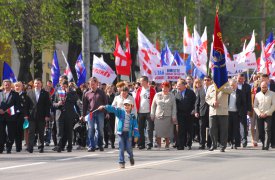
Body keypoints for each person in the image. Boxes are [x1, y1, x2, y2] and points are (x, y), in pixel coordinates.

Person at [98, 99, 139, 169]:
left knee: (129, 148)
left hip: (128, 134)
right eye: (125, 105)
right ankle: (121, 162)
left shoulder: (133, 116)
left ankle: (131, 156)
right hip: (121, 134)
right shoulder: (121, 112)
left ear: (132, 106)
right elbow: (113, 109)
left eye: (128, 105)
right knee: (121, 148)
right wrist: (104, 106)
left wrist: (136, 136)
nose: (126, 106)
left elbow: (135, 127)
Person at [81, 77, 108, 152]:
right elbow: (84, 105)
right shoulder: (87, 93)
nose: (92, 86)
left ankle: (100, 144)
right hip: (91, 113)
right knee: (90, 129)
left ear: (97, 83)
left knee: (100, 129)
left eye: (93, 84)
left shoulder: (102, 92)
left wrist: (107, 112)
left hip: (100, 113)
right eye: (90, 84)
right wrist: (83, 115)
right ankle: (91, 146)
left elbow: (106, 103)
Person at [206, 82, 233, 152]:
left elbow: (230, 91)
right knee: (212, 129)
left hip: (223, 111)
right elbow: (207, 98)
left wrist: (221, 87)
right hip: (213, 111)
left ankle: (222, 146)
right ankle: (214, 144)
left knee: (223, 130)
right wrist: (212, 102)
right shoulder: (210, 87)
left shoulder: (226, 85)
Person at [53, 80, 79, 152]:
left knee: (69, 131)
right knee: (59, 132)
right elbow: (53, 103)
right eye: (62, 85)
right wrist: (58, 104)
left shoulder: (72, 92)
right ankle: (59, 146)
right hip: (59, 114)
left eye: (65, 86)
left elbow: (75, 101)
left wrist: (68, 93)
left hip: (69, 114)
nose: (63, 87)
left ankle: (69, 147)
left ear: (67, 86)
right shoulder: (57, 92)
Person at [27, 78, 51, 153]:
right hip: (32, 116)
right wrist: (26, 115)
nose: (37, 85)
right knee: (31, 132)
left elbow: (48, 105)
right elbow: (27, 105)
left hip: (42, 116)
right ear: (33, 84)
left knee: (41, 132)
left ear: (41, 84)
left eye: (38, 83)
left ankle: (41, 147)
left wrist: (47, 115)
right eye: (35, 83)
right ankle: (30, 147)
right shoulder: (29, 92)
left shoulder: (45, 93)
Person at [151, 82, 177, 150]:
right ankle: (159, 145)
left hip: (168, 116)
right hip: (158, 116)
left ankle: (167, 145)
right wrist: (152, 114)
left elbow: (174, 107)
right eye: (163, 88)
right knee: (158, 131)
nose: (164, 89)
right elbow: (153, 106)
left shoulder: (172, 96)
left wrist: (174, 116)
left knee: (167, 132)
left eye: (166, 88)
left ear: (169, 88)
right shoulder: (157, 95)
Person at [135, 76, 156, 150]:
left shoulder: (152, 90)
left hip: (149, 111)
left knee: (149, 129)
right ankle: (141, 143)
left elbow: (154, 101)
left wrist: (153, 111)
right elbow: (136, 100)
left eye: (141, 81)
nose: (140, 82)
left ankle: (149, 143)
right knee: (140, 128)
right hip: (140, 111)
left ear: (145, 81)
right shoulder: (139, 90)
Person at [0, 79, 21, 154]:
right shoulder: (0, 93)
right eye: (5, 84)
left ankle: (9, 148)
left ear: (11, 85)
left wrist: (8, 110)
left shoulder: (15, 94)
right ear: (3, 85)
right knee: (1, 133)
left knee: (10, 133)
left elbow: (18, 106)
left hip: (11, 117)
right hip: (1, 117)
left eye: (8, 84)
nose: (7, 86)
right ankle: (1, 148)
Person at [175, 79, 196, 150]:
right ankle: (181, 145)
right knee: (181, 130)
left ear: (184, 85)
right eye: (177, 86)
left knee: (189, 130)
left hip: (189, 114)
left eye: (179, 85)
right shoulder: (176, 93)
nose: (178, 87)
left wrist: (194, 110)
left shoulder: (190, 93)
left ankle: (189, 143)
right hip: (180, 114)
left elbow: (195, 102)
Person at [254, 81, 275, 150]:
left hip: (268, 115)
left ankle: (266, 145)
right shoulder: (257, 95)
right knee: (260, 130)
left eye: (265, 87)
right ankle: (263, 143)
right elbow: (255, 106)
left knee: (267, 129)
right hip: (260, 115)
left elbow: (273, 105)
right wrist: (259, 114)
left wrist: (266, 113)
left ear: (267, 86)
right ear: (260, 87)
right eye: (263, 87)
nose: (264, 88)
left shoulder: (272, 94)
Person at [14, 81, 32, 152]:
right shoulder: (13, 94)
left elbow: (27, 106)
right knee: (16, 131)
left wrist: (26, 115)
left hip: (23, 116)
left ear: (22, 87)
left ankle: (26, 145)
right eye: (16, 86)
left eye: (19, 86)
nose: (17, 87)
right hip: (13, 115)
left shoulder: (25, 95)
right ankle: (18, 146)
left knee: (24, 131)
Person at [195, 76, 212, 149]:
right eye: (205, 80)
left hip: (211, 112)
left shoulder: (213, 89)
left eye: (208, 80)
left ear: (210, 81)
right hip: (202, 112)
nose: (206, 81)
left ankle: (209, 144)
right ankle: (202, 144)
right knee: (202, 128)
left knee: (211, 128)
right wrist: (196, 111)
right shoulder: (200, 90)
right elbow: (197, 102)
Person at [228, 79, 246, 149]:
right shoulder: (227, 93)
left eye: (233, 85)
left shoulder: (240, 92)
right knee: (229, 129)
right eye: (231, 85)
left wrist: (241, 112)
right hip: (228, 113)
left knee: (236, 129)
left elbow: (243, 104)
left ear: (236, 85)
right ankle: (231, 142)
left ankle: (236, 143)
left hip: (236, 113)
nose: (232, 86)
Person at [237, 73, 251, 147]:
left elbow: (249, 99)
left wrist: (249, 109)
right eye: (239, 78)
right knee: (235, 125)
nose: (240, 80)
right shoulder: (233, 85)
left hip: (243, 109)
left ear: (244, 79)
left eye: (242, 79)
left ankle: (244, 140)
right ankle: (236, 141)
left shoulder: (247, 87)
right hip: (234, 109)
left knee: (243, 125)